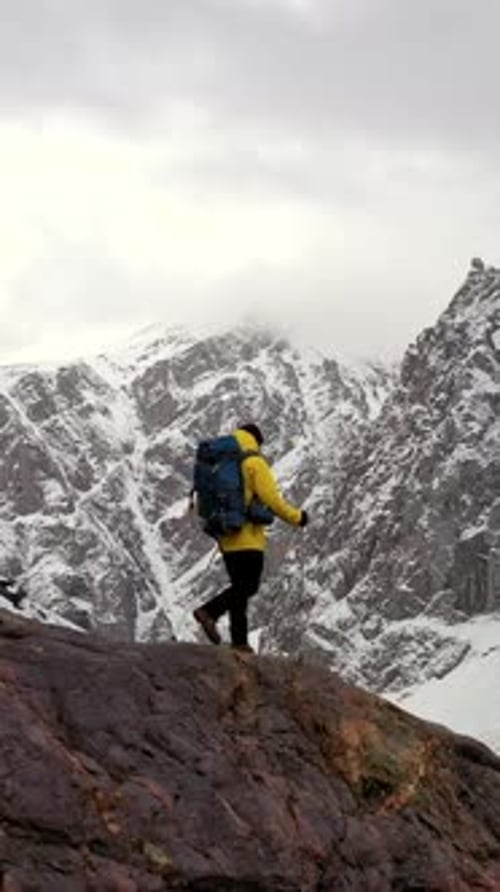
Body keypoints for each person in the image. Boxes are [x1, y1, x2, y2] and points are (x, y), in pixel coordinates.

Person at [193, 423, 308, 652]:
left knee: (239, 588)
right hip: (247, 538)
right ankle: (210, 611)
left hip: (226, 535)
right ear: (257, 440)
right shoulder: (254, 462)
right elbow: (273, 501)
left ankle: (239, 642)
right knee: (249, 586)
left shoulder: (220, 462)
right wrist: (297, 517)